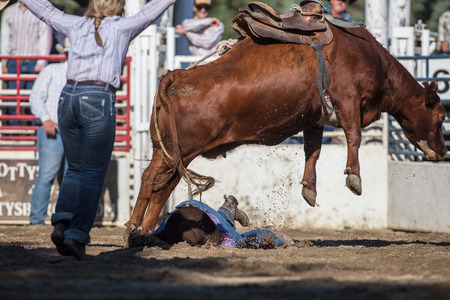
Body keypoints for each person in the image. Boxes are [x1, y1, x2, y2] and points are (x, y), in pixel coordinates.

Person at [19, 0, 178, 259]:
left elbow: (46, 12)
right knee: (92, 173)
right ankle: (77, 235)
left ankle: (62, 224)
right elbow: (150, 12)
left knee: (75, 169)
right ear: (118, 6)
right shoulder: (121, 27)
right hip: (97, 97)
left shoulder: (75, 24)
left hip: (67, 97)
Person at [137, 195, 294, 249]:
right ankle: (228, 208)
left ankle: (271, 232)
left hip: (193, 213)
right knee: (223, 228)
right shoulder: (167, 230)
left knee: (242, 242)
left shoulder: (223, 238)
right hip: (188, 209)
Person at [29, 39, 69, 226]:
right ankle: (37, 220)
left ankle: (63, 219)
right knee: (48, 175)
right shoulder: (52, 70)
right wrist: (45, 118)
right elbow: (35, 97)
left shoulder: (58, 71)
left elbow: (35, 96)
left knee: (68, 176)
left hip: (69, 131)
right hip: (55, 127)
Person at [1, 1, 52, 125]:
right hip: (14, 62)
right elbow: (5, 37)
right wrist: (4, 61)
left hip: (32, 61)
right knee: (13, 101)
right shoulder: (9, 12)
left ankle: (32, 133)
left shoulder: (39, 11)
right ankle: (14, 134)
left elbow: (44, 37)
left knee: (34, 99)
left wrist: (41, 63)